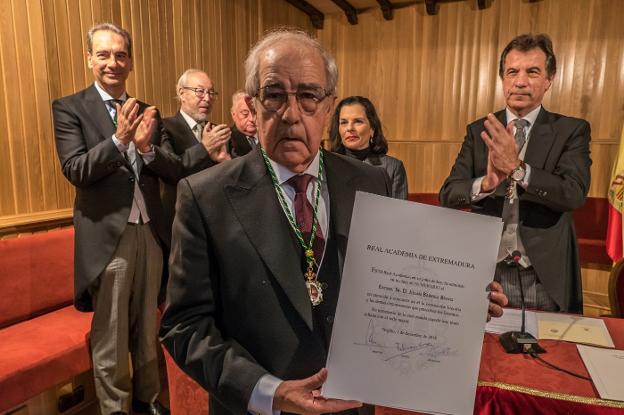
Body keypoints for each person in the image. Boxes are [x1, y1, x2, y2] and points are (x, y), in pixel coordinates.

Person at [160, 29, 508, 415]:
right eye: (274, 95)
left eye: (309, 96)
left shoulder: (370, 181)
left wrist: (460, 298)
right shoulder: (204, 195)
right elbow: (185, 327)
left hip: (353, 405)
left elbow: (398, 285)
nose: (291, 114)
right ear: (253, 104)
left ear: (329, 107)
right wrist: (269, 392)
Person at [52, 23, 173, 415]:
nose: (112, 63)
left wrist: (147, 148)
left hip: (149, 232)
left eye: (120, 55)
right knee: (111, 334)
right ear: (89, 59)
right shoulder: (69, 108)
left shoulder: (147, 109)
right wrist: (119, 141)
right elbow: (76, 169)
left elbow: (172, 169)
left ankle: (148, 400)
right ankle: (115, 408)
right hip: (109, 236)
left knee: (146, 328)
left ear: (131, 60)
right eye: (103, 55)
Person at [439, 33, 591, 313]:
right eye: (512, 72)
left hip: (543, 273)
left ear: (549, 79)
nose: (520, 81)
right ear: (503, 79)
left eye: (532, 72)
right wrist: (486, 183)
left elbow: (573, 194)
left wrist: (518, 170)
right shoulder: (480, 129)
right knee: (489, 354)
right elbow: (449, 194)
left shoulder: (571, 130)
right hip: (488, 271)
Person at [162, 69, 231, 230]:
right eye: (200, 92)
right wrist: (204, 148)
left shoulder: (217, 130)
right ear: (182, 93)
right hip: (181, 218)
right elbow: (171, 169)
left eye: (211, 93)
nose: (207, 99)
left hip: (217, 218)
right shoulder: (165, 127)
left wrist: (226, 161)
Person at [328, 96, 408, 199]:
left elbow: (398, 213)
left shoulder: (393, 168)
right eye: (344, 122)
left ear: (372, 129)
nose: (349, 128)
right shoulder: (328, 165)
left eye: (358, 121)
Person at [228, 90, 259, 157]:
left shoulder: (269, 136)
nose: (252, 119)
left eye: (255, 112)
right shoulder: (227, 140)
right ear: (233, 114)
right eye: (245, 113)